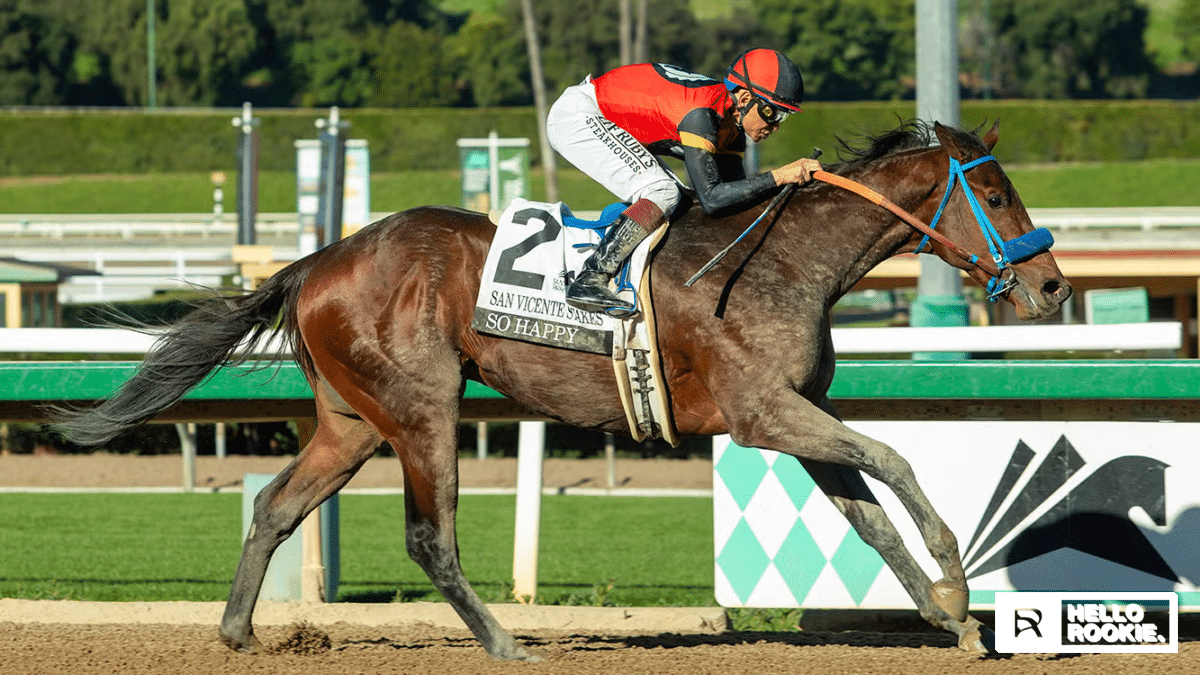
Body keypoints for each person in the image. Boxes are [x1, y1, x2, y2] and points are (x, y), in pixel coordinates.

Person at [546, 48, 822, 317]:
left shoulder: (730, 127)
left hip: (607, 116)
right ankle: (591, 276)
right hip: (579, 116)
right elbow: (713, 199)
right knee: (663, 192)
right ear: (745, 98)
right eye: (772, 113)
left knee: (682, 201)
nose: (775, 126)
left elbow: (734, 202)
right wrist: (779, 175)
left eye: (783, 116)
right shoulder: (701, 115)